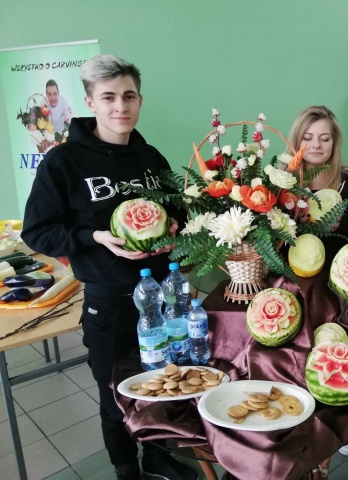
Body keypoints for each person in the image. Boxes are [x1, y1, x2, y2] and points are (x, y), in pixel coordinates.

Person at [22, 54, 195, 480]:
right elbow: (38, 232)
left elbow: (178, 210)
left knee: (164, 378)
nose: (121, 106)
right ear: (90, 102)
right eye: (109, 97)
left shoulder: (150, 156)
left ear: (140, 100)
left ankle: (158, 455)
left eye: (129, 96)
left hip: (162, 294)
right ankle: (125, 467)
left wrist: (176, 224)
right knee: (115, 390)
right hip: (109, 300)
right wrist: (93, 237)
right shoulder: (63, 163)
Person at [287, 105, 348, 262]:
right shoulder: (283, 183)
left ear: (334, 142)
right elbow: (273, 247)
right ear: (296, 141)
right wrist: (296, 225)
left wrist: (342, 225)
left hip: (341, 271)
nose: (316, 145)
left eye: (324, 139)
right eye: (307, 138)